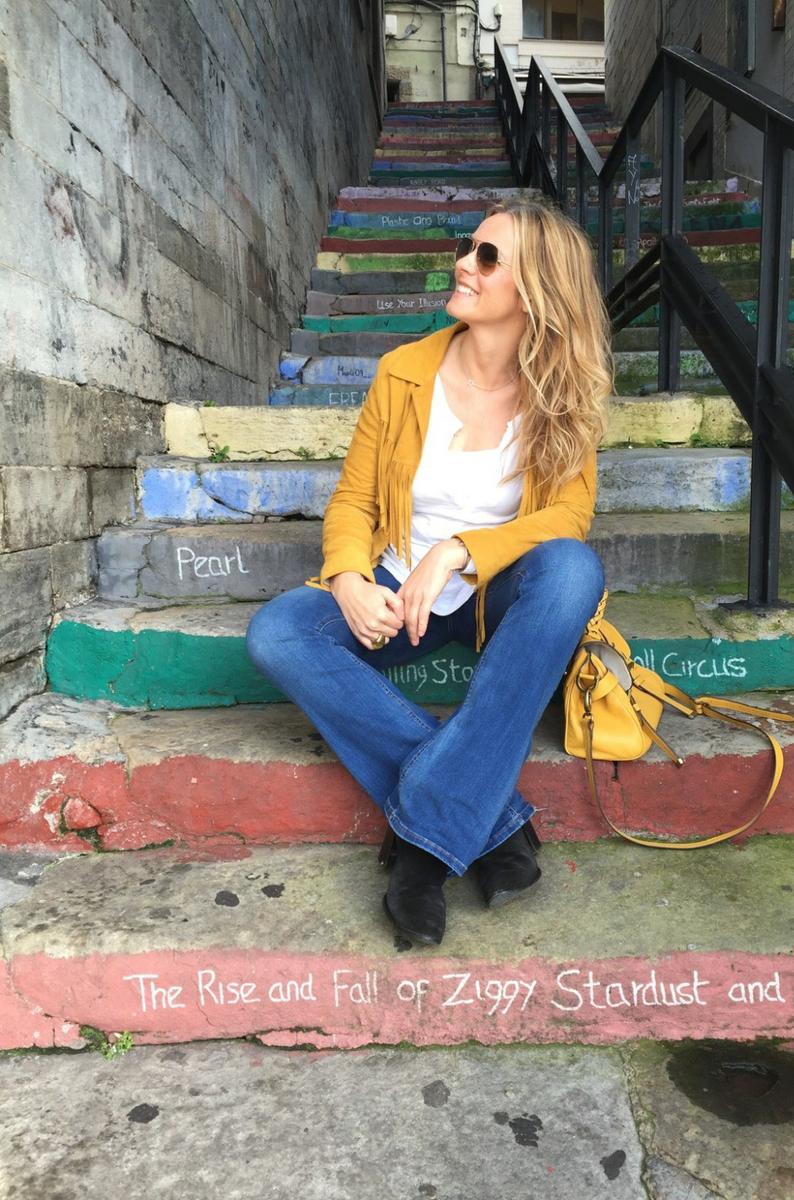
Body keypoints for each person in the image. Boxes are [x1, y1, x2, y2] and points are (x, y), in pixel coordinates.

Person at [246, 197, 612, 946]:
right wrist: (349, 579)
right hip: (395, 591)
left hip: (490, 598)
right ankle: (493, 824)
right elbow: (354, 500)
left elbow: (567, 517)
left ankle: (419, 856)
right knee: (278, 633)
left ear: (537, 288)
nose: (463, 264)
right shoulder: (405, 372)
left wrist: (459, 550)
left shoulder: (566, 391)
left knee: (573, 571)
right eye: (468, 247)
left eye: (487, 257)